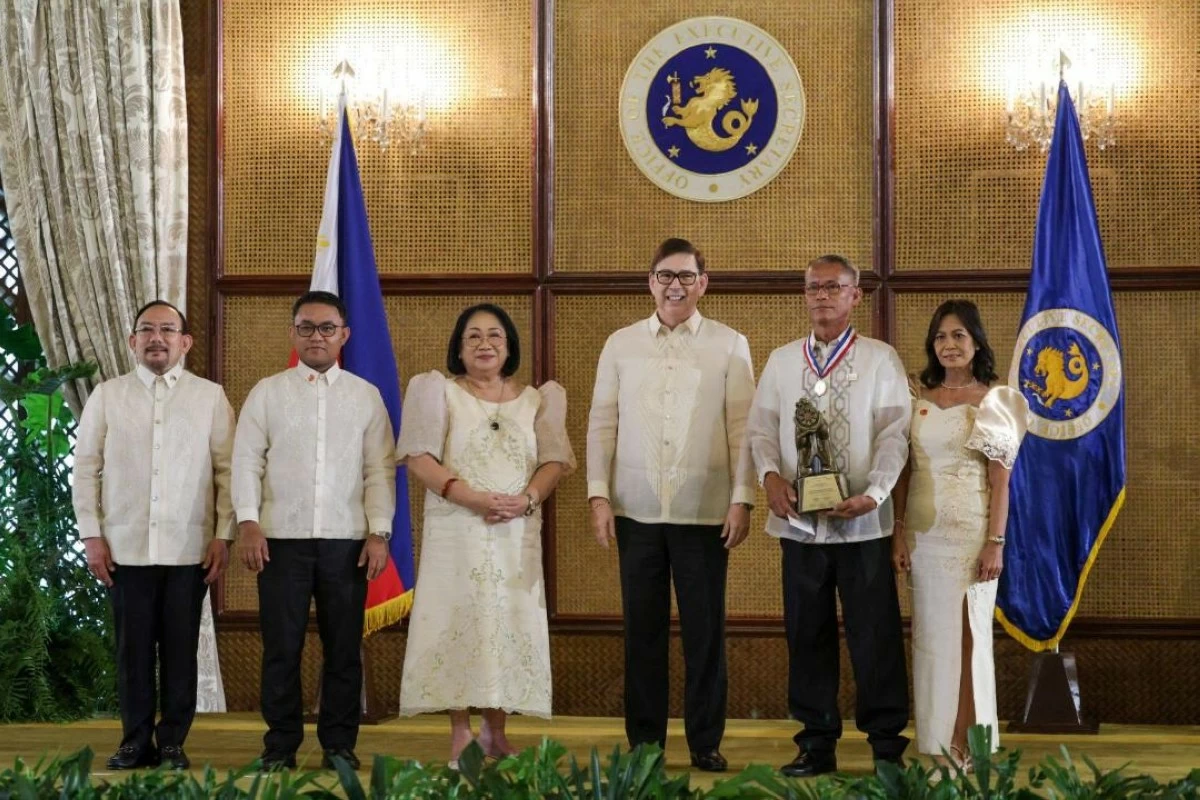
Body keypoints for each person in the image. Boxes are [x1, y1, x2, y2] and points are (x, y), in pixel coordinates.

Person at [586, 237, 756, 772]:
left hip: (705, 513)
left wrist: (742, 499)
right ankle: (645, 745)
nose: (674, 285)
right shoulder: (620, 344)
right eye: (665, 275)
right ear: (650, 282)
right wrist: (598, 495)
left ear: (703, 283)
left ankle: (705, 741)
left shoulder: (730, 344)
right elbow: (602, 423)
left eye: (685, 276)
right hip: (635, 512)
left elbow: (743, 430)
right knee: (643, 632)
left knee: (705, 633)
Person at [745, 254, 911, 776]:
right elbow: (760, 430)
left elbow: (895, 435)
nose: (821, 295)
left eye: (833, 287)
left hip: (863, 524)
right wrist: (770, 477)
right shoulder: (781, 361)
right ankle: (815, 743)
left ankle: (886, 746)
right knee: (807, 634)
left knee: (875, 635)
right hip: (800, 526)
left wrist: (876, 493)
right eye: (813, 287)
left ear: (855, 295)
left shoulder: (880, 359)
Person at [397, 303, 574, 764]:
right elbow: (418, 458)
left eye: (494, 335)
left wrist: (528, 499)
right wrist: (469, 497)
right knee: (458, 620)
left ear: (509, 345)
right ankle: (461, 732)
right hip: (458, 530)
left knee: (507, 624)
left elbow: (554, 461)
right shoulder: (437, 391)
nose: (484, 344)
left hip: (516, 533)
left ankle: (496, 733)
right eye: (472, 336)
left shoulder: (539, 399)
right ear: (459, 348)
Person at [232, 290, 396, 771]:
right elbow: (246, 463)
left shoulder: (365, 396)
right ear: (293, 333)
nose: (316, 336)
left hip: (347, 542)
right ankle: (280, 745)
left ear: (344, 335)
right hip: (279, 541)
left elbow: (379, 470)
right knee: (282, 649)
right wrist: (248, 522)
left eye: (327, 328)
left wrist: (379, 532)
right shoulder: (267, 392)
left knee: (343, 650)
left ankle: (338, 745)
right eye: (306, 327)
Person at [73, 300, 235, 771]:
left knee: (181, 651)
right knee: (133, 652)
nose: (157, 338)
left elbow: (227, 471)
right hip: (124, 549)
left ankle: (172, 743)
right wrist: (91, 536)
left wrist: (223, 535)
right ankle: (134, 741)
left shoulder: (210, 397)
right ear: (133, 341)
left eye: (167, 330)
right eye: (147, 330)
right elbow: (85, 469)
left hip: (190, 549)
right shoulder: (107, 396)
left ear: (185, 342)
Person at [891, 299, 1028, 767]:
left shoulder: (994, 400)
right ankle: (933, 740)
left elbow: (1001, 482)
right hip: (922, 538)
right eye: (940, 337)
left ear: (976, 343)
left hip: (972, 537)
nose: (949, 345)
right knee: (932, 639)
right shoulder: (916, 397)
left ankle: (965, 741)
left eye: (958, 336)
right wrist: (897, 533)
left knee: (969, 638)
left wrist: (996, 543)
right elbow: (904, 472)